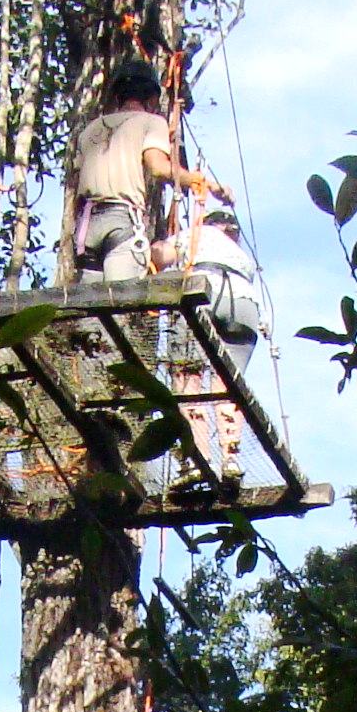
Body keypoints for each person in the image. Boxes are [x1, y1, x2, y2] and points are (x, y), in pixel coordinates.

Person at [68, 57, 224, 283]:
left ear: (117, 96)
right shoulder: (151, 122)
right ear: (152, 98)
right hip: (121, 218)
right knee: (119, 303)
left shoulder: (90, 129)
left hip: (86, 226)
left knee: (92, 312)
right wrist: (202, 182)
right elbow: (158, 167)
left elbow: (76, 182)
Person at [151, 201, 267, 473]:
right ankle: (231, 459)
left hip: (204, 294)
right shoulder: (242, 256)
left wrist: (153, 245)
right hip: (245, 308)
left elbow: (160, 255)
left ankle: (197, 459)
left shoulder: (197, 234)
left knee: (187, 377)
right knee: (228, 385)